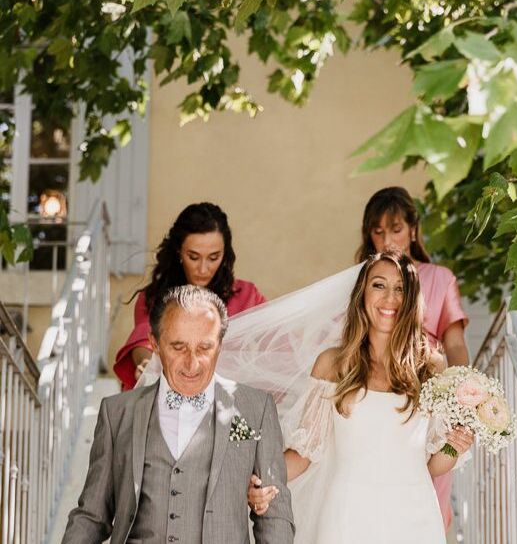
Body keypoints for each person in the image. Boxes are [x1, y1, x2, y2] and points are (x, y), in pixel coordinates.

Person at [250, 251, 473, 543]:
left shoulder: (430, 366)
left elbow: (432, 463)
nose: (389, 298)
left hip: (414, 517)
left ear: (411, 299)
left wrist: (455, 446)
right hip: (347, 516)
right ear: (362, 294)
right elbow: (305, 452)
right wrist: (265, 479)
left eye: (400, 288)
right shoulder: (332, 364)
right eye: (379, 285)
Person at [62, 285, 294, 544]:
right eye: (178, 347)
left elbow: (275, 517)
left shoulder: (256, 408)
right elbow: (92, 516)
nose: (192, 363)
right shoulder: (117, 413)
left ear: (219, 345)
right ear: (155, 344)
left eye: (204, 348)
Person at [356, 185, 469, 529]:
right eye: (378, 232)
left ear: (413, 230)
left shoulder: (439, 278)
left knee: (431, 492)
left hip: (426, 393)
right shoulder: (364, 282)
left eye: (396, 229)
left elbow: (455, 345)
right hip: (376, 394)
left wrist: (465, 393)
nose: (387, 240)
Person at [113, 202, 266, 391]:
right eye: (193, 257)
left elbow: (278, 348)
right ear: (179, 251)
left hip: (229, 406)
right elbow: (144, 340)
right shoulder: (153, 297)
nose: (203, 269)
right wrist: (147, 365)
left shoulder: (248, 295)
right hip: (171, 400)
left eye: (213, 257)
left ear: (225, 254)